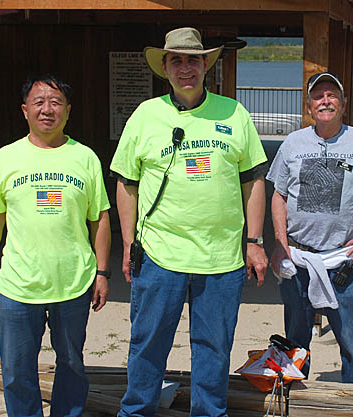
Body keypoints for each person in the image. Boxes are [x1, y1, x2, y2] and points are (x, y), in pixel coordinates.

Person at [110, 27, 268, 417]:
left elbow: (254, 180)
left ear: (205, 65)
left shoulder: (234, 113)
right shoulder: (146, 116)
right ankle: (137, 412)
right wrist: (130, 242)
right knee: (147, 345)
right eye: (176, 60)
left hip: (222, 260)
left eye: (193, 60)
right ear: (164, 67)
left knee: (214, 349)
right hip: (160, 257)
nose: (186, 68)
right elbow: (126, 183)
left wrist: (255, 241)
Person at [0, 74, 111, 417]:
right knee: (17, 371)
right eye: (39, 102)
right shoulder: (5, 158)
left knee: (72, 365)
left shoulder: (85, 158)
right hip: (18, 286)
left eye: (56, 102)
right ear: (25, 111)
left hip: (73, 283)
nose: (48, 110)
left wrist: (102, 273)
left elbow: (100, 219)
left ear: (68, 111)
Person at [266, 72, 353, 384]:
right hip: (298, 260)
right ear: (309, 107)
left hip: (343, 263)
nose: (325, 101)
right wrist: (280, 243)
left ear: (344, 104)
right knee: (294, 344)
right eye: (318, 96)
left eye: (332, 95)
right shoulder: (293, 143)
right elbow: (278, 195)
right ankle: (295, 400)